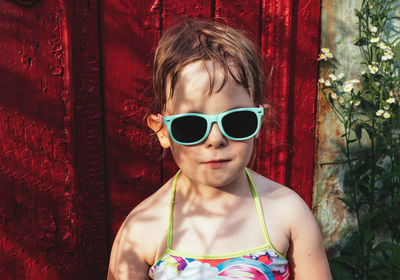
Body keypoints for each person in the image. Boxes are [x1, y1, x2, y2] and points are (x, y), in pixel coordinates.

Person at [107, 19, 332, 280]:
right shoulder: (142, 228)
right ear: (163, 132)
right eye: (190, 125)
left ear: (258, 120)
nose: (215, 139)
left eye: (236, 121)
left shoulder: (288, 212)